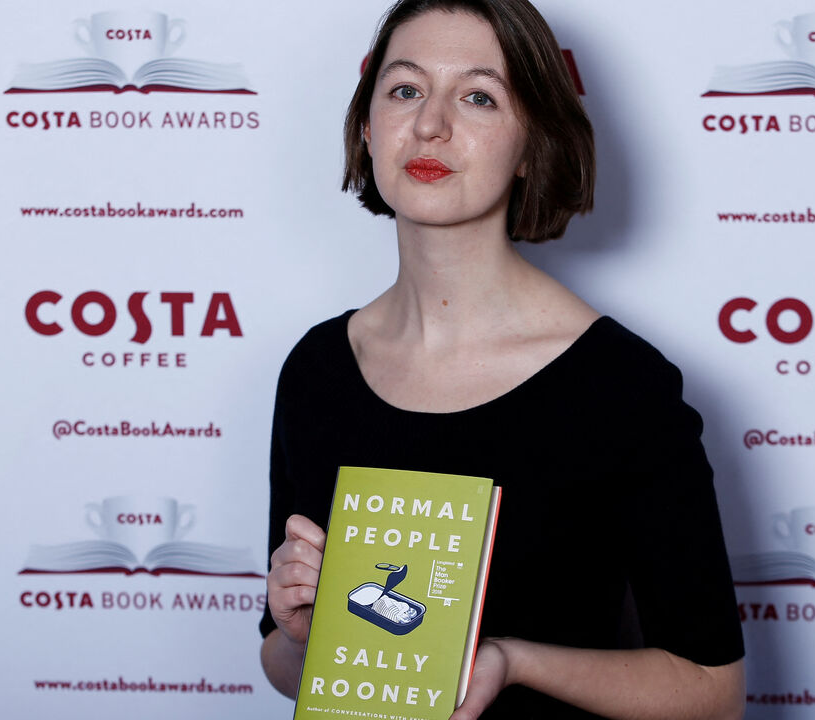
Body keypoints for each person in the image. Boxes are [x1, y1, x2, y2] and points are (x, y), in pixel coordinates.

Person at [259, 1, 745, 717]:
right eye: (404, 90)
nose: (430, 125)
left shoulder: (620, 387)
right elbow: (283, 665)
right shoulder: (318, 368)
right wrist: (304, 633)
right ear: (367, 128)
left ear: (532, 147)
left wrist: (509, 662)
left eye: (479, 97)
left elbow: (713, 691)